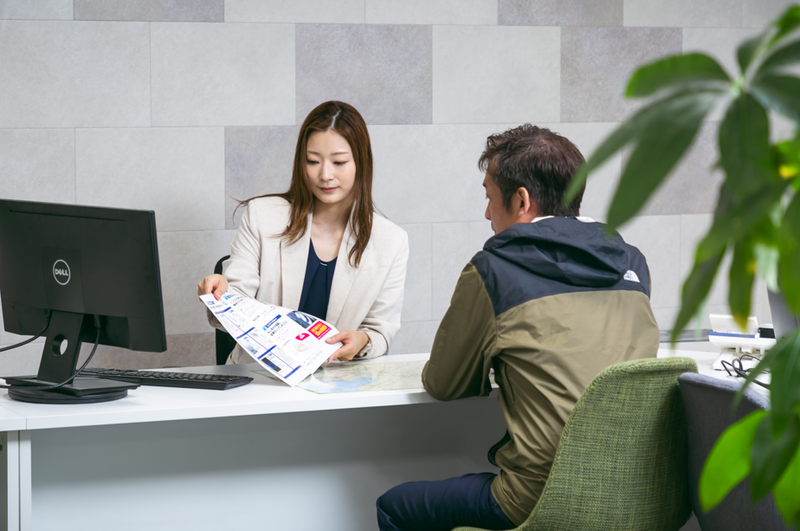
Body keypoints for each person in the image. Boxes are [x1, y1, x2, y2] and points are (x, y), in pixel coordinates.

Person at [376, 125, 659, 530]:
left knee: (394, 507)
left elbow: (444, 384)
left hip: (538, 500)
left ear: (521, 200)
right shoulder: (633, 263)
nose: (488, 213)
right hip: (640, 494)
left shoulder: (494, 269)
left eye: (490, 198)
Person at [198, 101, 408, 363]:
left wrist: (362, 340)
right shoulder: (262, 216)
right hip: (260, 381)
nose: (325, 175)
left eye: (339, 162)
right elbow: (236, 303)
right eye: (312, 161)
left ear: (360, 163)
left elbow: (380, 331)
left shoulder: (391, 241)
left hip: (334, 385)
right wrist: (221, 297)